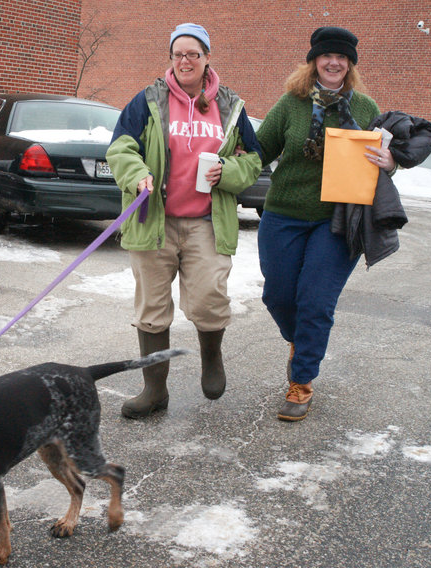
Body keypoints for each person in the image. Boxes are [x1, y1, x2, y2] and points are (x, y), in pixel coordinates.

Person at [106, 23, 263, 418]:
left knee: (211, 296)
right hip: (153, 220)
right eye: (178, 54)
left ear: (208, 57)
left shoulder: (230, 105)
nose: (185, 61)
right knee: (152, 307)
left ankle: (212, 360)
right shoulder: (148, 100)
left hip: (207, 223)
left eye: (193, 53)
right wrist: (136, 172)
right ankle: (154, 389)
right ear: (170, 59)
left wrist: (227, 170)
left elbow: (255, 159)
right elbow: (121, 146)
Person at [255, 26, 396, 422]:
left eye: (342, 57)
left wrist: (391, 163)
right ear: (314, 60)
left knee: (315, 301)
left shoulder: (366, 108)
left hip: (336, 221)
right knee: (279, 297)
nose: (334, 62)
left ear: (350, 64)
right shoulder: (291, 103)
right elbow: (259, 148)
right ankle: (301, 344)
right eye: (326, 55)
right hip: (282, 214)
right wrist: (228, 156)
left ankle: (301, 382)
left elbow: (382, 160)